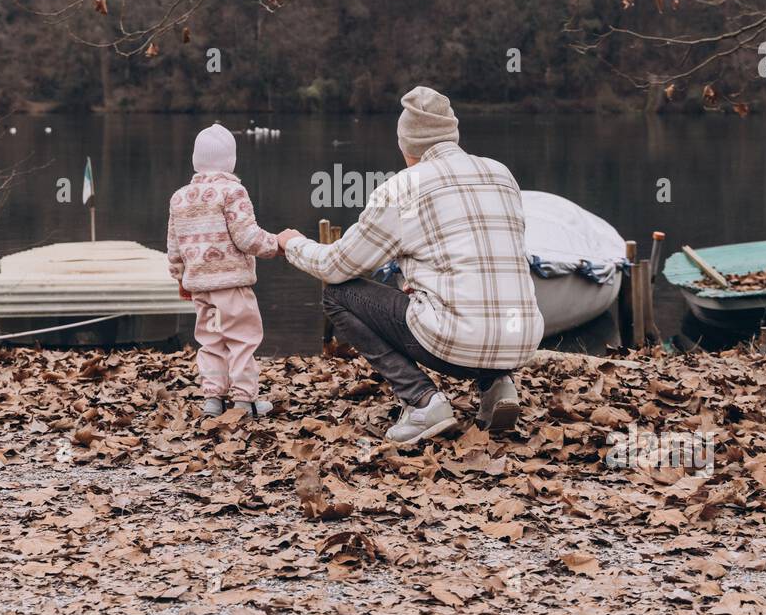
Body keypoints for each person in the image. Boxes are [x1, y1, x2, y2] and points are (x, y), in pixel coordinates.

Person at [278, 87, 544, 444]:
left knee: (338, 294)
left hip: (455, 342)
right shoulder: (501, 174)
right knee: (478, 296)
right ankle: (498, 386)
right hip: (521, 338)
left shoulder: (402, 187)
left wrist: (293, 243)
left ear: (406, 146)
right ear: (454, 134)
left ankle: (422, 401)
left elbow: (337, 266)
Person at [167, 123, 281, 417]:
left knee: (212, 339)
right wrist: (277, 244)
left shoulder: (179, 198)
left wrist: (180, 277)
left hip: (202, 289)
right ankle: (244, 400)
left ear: (195, 161)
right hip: (231, 285)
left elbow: (175, 245)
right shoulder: (233, 191)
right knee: (242, 339)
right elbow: (247, 237)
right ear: (231, 161)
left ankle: (213, 400)